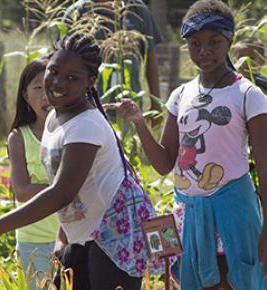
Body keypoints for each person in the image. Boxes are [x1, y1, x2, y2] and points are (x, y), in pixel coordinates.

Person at [0, 33, 158, 290]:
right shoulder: (55, 119)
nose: (59, 83)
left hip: (113, 239)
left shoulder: (85, 125)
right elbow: (74, 193)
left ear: (90, 81)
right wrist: (64, 239)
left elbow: (63, 192)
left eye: (73, 77)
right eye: (54, 71)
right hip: (83, 237)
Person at [105, 1, 267, 289]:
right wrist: (140, 123)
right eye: (195, 43)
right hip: (189, 212)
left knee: (233, 281)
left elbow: (265, 167)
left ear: (228, 40)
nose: (204, 51)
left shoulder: (248, 95)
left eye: (213, 42)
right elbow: (164, 163)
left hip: (233, 211)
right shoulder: (181, 95)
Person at [64, 0, 164, 124]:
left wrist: (156, 104)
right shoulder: (77, 12)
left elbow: (150, 57)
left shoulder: (136, 9)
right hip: (84, 110)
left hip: (128, 109)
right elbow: (62, 61)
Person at [7, 57, 59, 289]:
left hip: (70, 237)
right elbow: (22, 191)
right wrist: (65, 188)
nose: (45, 95)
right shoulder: (19, 137)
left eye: (49, 86)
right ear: (25, 95)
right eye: (37, 88)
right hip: (33, 241)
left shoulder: (71, 131)